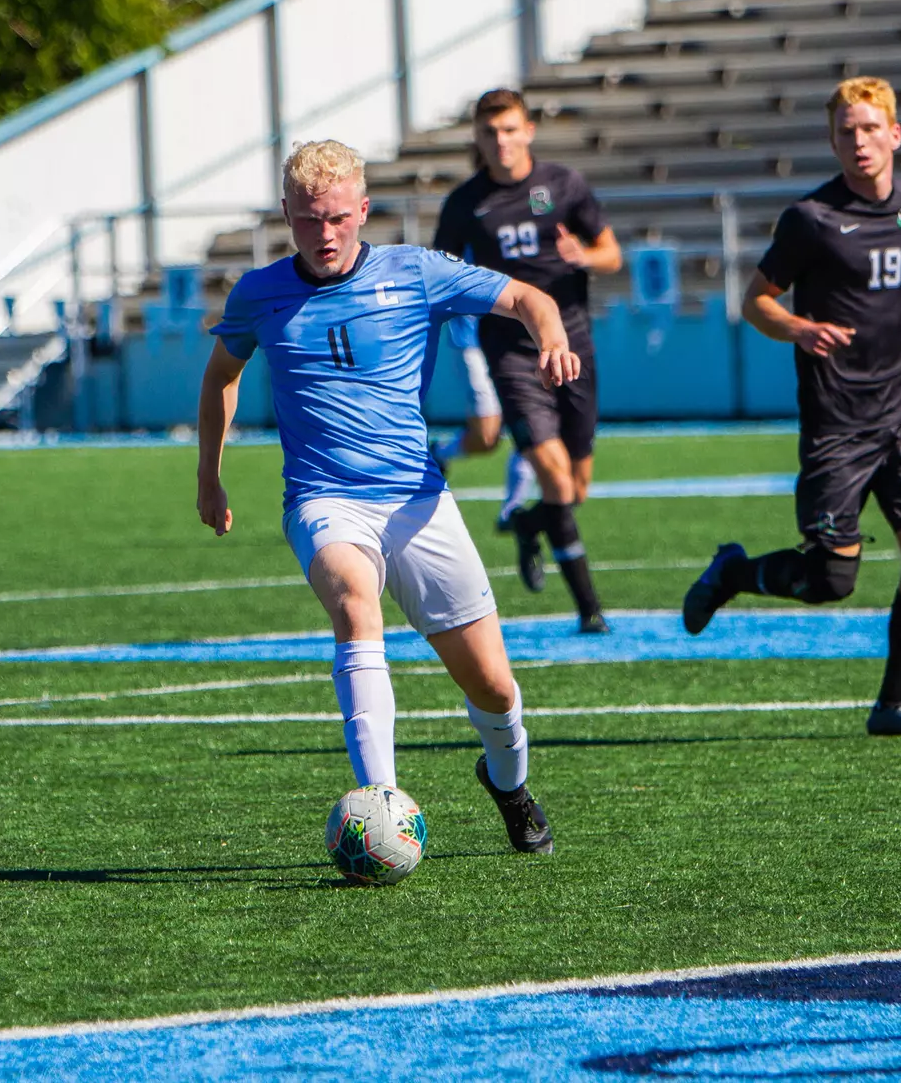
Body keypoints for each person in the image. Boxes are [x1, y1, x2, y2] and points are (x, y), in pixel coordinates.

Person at [197, 139, 581, 854]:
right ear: (287, 215)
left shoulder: (416, 272)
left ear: (364, 210)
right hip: (322, 499)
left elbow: (528, 297)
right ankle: (383, 806)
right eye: (309, 221)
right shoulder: (258, 294)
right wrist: (208, 476)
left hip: (416, 499)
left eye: (339, 218)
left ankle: (510, 785)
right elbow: (221, 375)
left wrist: (551, 338)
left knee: (494, 690)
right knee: (351, 595)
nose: (326, 235)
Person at [683, 77, 901, 736]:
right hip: (838, 423)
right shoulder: (811, 219)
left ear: (895, 134)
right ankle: (736, 571)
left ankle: (892, 705)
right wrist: (798, 327)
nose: (860, 141)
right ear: (833, 140)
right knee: (831, 581)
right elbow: (756, 300)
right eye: (847, 131)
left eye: (871, 128)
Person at [433, 88, 622, 634]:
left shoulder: (564, 185)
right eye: (491, 132)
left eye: (510, 129)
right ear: (478, 138)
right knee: (555, 479)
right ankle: (590, 608)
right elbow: (441, 273)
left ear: (529, 130)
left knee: (576, 487)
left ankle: (526, 523)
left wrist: (584, 256)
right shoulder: (466, 203)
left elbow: (612, 253)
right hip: (511, 352)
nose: (501, 141)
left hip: (574, 345)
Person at [429, 314, 539, 532]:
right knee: (486, 438)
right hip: (473, 342)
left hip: (518, 342)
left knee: (531, 427)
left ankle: (511, 512)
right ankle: (439, 453)